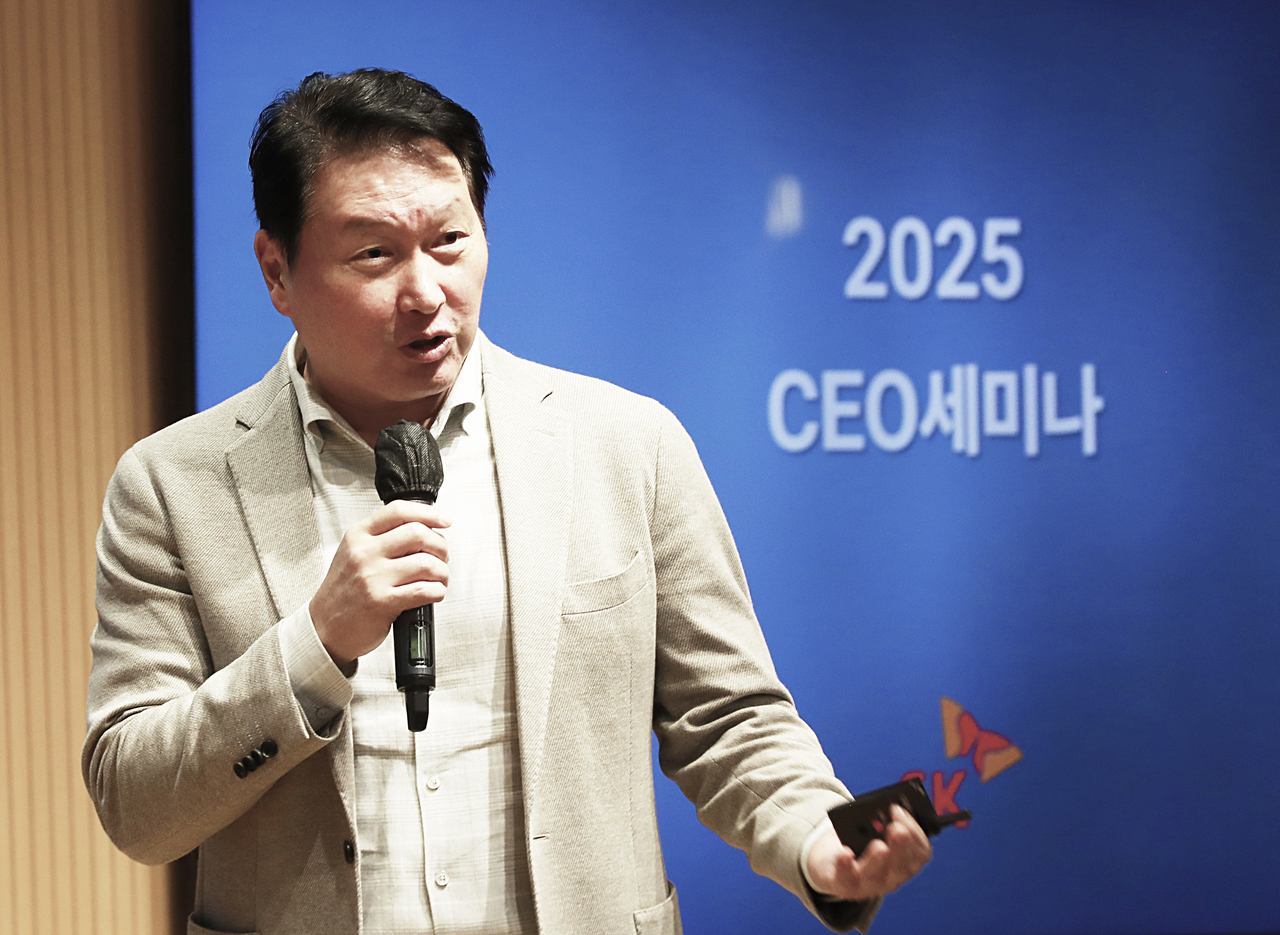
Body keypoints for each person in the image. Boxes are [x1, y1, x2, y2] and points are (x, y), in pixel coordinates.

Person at [83, 69, 930, 935]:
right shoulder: (172, 485)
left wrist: (815, 839)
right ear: (277, 271)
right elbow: (135, 805)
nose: (425, 291)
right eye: (374, 254)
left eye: (450, 240)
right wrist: (315, 645)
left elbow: (728, 717)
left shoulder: (626, 445)